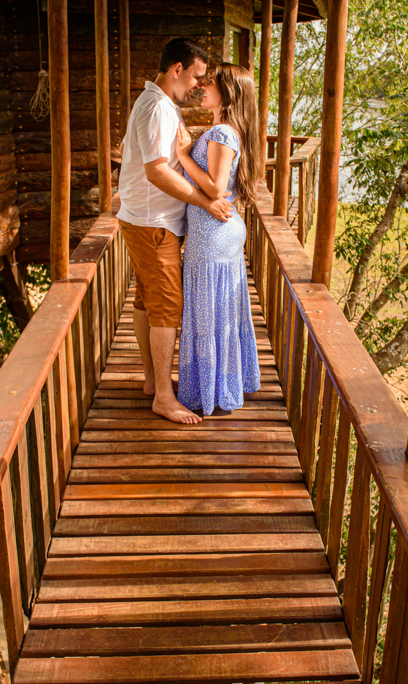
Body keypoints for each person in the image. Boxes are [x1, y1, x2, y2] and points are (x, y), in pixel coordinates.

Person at [116, 38, 234, 424]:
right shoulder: (156, 108)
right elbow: (157, 171)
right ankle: (164, 397)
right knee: (167, 307)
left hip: (146, 219)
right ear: (177, 69)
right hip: (154, 224)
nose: (199, 85)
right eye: (197, 76)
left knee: (147, 300)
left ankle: (153, 381)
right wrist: (205, 201)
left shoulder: (157, 104)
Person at [174, 63, 263, 415]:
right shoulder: (222, 130)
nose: (202, 87)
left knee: (209, 313)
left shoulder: (223, 132)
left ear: (228, 93)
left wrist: (183, 156)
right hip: (214, 232)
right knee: (216, 312)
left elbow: (214, 188)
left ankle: (211, 390)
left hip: (213, 235)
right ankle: (221, 383)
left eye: (210, 82)